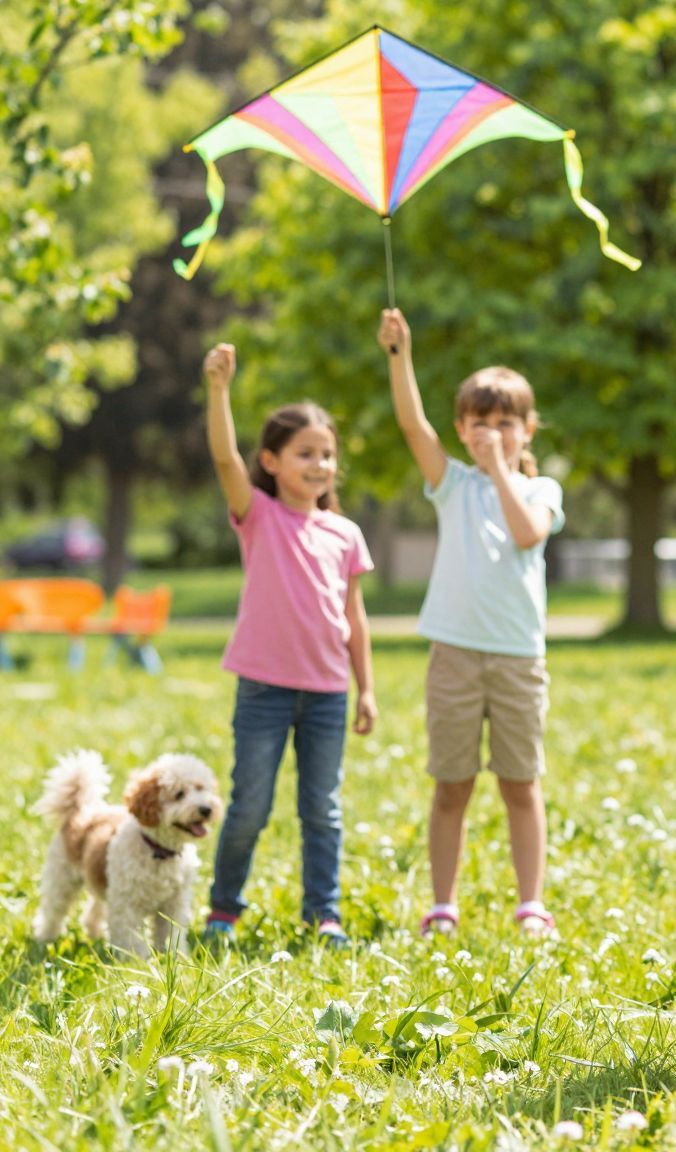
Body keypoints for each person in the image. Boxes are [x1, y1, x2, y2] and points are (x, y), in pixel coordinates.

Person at [383, 310, 565, 937]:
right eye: (479, 423)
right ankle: (442, 904)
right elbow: (412, 424)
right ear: (461, 429)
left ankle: (530, 902)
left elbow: (525, 535)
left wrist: (499, 471)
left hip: (517, 657)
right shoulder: (451, 485)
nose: (492, 433)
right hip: (455, 655)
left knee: (521, 783)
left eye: (505, 423)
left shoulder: (542, 491)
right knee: (451, 785)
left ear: (527, 429)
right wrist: (400, 354)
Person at [200, 343, 375, 949]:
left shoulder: (345, 533)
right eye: (306, 453)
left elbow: (354, 615)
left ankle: (323, 914)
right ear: (272, 461)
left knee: (321, 812)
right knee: (248, 805)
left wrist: (367, 689)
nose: (320, 464)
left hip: (327, 692)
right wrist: (220, 390)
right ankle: (224, 909)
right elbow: (224, 457)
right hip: (265, 690)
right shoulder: (260, 516)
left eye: (328, 454)